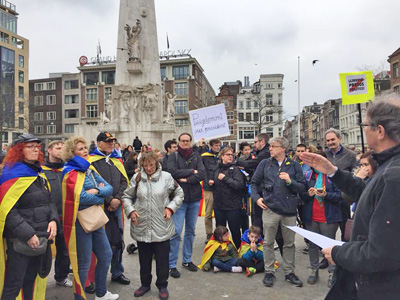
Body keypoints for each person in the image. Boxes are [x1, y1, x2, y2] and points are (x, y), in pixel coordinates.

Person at [301, 95, 400, 299]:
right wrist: (332, 171)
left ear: (379, 131)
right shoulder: (388, 166)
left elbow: (381, 253)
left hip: (379, 287)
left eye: (364, 124)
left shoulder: (393, 175)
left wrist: (338, 253)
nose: (363, 128)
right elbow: (369, 194)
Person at [0, 133, 58, 300]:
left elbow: (49, 201)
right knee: (13, 285)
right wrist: (28, 234)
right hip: (21, 241)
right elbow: (7, 211)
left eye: (37, 146)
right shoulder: (10, 175)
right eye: (30, 146)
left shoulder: (37, 173)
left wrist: (54, 220)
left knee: (30, 281)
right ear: (19, 150)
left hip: (41, 237)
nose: (35, 149)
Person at [61, 136, 118, 300]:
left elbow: (109, 187)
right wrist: (100, 197)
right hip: (79, 221)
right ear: (71, 153)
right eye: (80, 149)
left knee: (106, 255)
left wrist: (97, 192)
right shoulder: (70, 173)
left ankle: (101, 294)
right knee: (84, 263)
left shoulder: (90, 170)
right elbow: (80, 198)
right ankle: (79, 297)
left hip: (95, 218)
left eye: (85, 148)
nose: (85, 151)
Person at [121, 152, 184, 300]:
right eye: (145, 165)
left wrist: (170, 208)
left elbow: (179, 194)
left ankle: (162, 285)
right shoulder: (137, 178)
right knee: (144, 259)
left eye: (151, 165)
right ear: (141, 165)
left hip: (162, 224)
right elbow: (127, 196)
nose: (148, 168)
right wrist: (131, 211)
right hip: (142, 225)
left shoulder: (167, 177)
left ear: (156, 163)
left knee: (162, 259)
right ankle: (145, 284)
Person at [251, 136, 305, 288]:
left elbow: (301, 187)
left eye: (273, 146)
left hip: (289, 211)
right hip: (270, 209)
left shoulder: (294, 165)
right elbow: (254, 183)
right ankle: (269, 272)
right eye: (270, 146)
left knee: (289, 243)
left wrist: (290, 181)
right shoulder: (264, 164)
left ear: (283, 148)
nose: (270, 148)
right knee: (268, 242)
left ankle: (289, 272)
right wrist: (257, 198)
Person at [90, 132, 130, 285]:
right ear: (99, 143)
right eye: (107, 141)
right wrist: (109, 200)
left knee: (117, 240)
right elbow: (92, 183)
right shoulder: (92, 162)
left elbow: (123, 181)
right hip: (99, 206)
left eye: (112, 141)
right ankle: (94, 278)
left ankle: (117, 271)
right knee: (98, 242)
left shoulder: (116, 160)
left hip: (116, 206)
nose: (110, 144)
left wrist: (117, 199)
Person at [299, 151, 342, 287]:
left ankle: (332, 273)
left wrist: (326, 194)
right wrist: (308, 194)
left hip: (328, 217)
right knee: (312, 245)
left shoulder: (333, 177)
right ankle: (314, 271)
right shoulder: (307, 175)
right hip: (311, 216)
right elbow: (301, 196)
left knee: (329, 246)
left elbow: (341, 196)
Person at [166, 133, 206, 278]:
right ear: (178, 142)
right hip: (178, 199)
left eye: (187, 141)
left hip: (194, 198)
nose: (185, 143)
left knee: (191, 230)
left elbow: (202, 173)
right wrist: (191, 171)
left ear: (190, 142)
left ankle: (187, 260)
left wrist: (186, 180)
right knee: (176, 232)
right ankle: (171, 264)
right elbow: (171, 172)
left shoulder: (196, 156)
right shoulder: (173, 156)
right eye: (182, 141)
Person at [42, 140, 72, 287]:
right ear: (49, 150)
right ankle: (38, 278)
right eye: (57, 148)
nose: (60, 150)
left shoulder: (67, 169)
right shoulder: (41, 170)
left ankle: (61, 276)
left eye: (62, 148)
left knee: (64, 249)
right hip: (46, 216)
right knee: (42, 249)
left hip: (64, 214)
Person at [209, 146, 246, 249]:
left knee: (235, 230)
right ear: (221, 156)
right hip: (219, 205)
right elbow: (214, 184)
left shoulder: (235, 169)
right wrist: (211, 184)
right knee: (220, 231)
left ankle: (237, 251)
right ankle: (221, 252)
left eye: (232, 155)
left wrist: (225, 178)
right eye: (228, 155)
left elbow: (239, 185)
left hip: (232, 206)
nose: (230, 157)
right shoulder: (216, 168)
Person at [236, 133, 271, 231]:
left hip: (263, 189)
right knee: (258, 216)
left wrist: (237, 162)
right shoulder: (261, 152)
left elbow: (253, 163)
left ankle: (261, 240)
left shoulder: (265, 153)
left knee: (259, 216)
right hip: (260, 188)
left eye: (255, 142)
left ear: (262, 142)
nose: (254, 145)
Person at [201, 139, 221, 242]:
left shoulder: (220, 156)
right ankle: (209, 234)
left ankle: (220, 233)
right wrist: (207, 180)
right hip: (209, 188)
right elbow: (202, 171)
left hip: (219, 187)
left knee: (220, 212)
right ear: (211, 146)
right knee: (208, 212)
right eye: (216, 145)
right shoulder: (205, 156)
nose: (218, 147)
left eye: (219, 145)